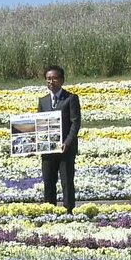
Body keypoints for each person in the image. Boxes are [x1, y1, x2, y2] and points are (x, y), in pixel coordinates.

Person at [38, 65, 81, 214]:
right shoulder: (43, 101)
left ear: (61, 80)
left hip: (65, 149)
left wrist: (67, 143)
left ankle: (69, 211)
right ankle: (49, 211)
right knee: (48, 182)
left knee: (67, 182)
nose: (51, 82)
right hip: (48, 150)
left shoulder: (71, 98)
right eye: (48, 79)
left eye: (54, 78)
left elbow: (75, 123)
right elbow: (40, 124)